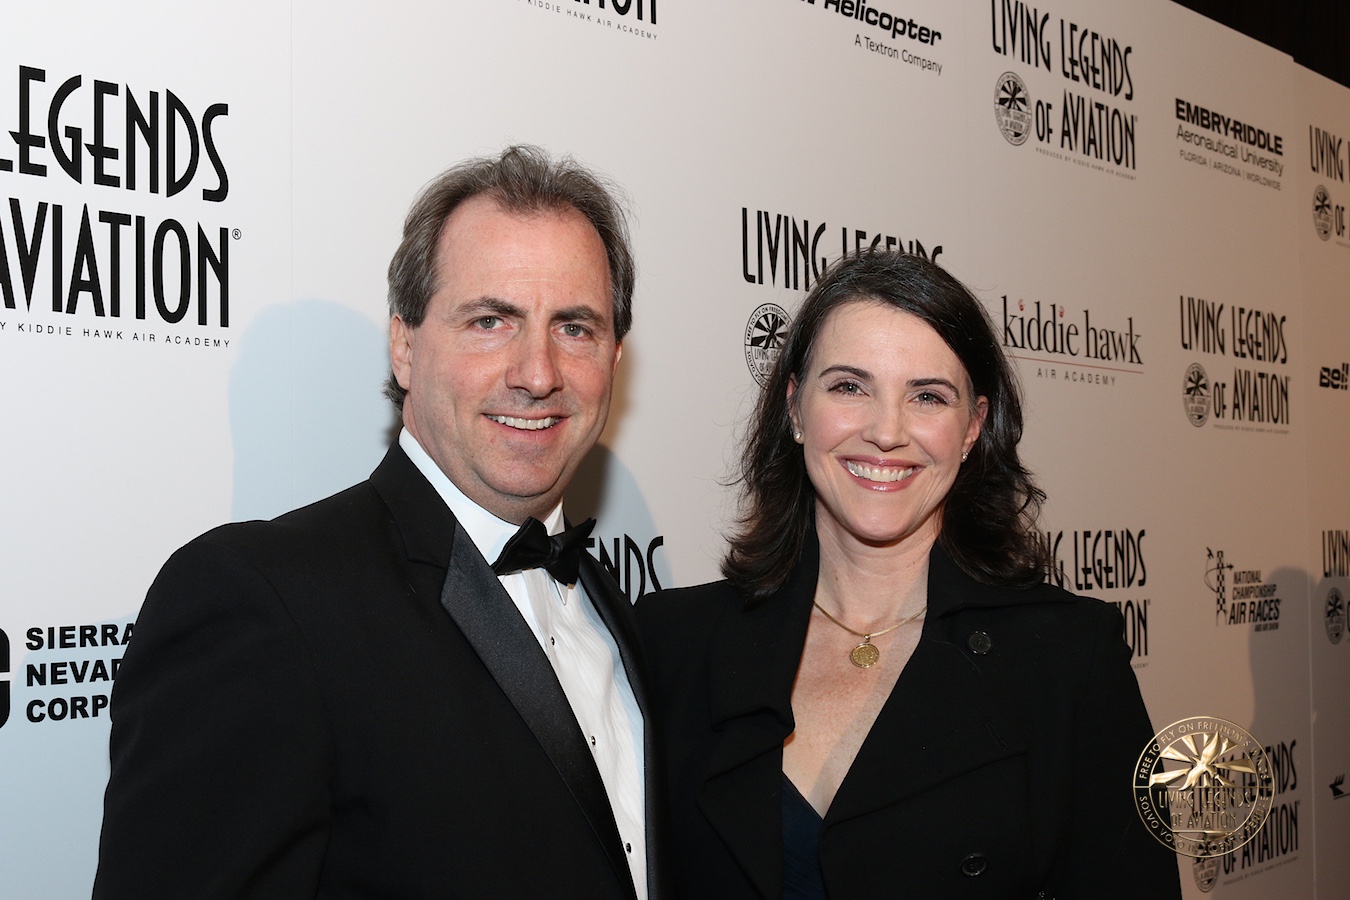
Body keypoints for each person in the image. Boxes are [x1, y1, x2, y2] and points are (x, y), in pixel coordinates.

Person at [94, 146, 667, 900]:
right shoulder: (263, 600)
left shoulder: (622, 612)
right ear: (404, 344)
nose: (538, 373)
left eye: (576, 328)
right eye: (491, 320)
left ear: (614, 360)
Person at [636, 251, 1181, 899]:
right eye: (849, 387)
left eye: (927, 396)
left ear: (974, 426)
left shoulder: (1070, 659)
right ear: (794, 409)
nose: (886, 432)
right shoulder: (672, 643)